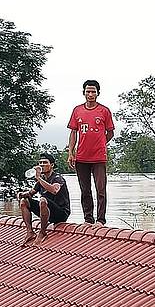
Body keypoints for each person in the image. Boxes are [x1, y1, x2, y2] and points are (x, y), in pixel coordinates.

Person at [67, 80, 114, 226]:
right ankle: (88, 219)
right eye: (88, 91)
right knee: (84, 190)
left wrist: (100, 143)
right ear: (84, 93)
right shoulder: (77, 110)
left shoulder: (104, 111)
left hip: (99, 157)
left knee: (101, 189)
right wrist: (71, 152)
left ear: (98, 93)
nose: (90, 94)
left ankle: (100, 220)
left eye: (93, 91)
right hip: (81, 157)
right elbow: (73, 132)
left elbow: (110, 132)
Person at [17, 153, 71, 245]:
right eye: (40, 163)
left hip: (61, 213)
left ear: (52, 165)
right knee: (24, 201)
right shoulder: (41, 180)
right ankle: (30, 232)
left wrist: (38, 178)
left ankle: (42, 232)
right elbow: (31, 193)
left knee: (42, 200)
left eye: (45, 162)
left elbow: (54, 190)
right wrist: (22, 194)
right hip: (46, 209)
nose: (42, 165)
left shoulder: (58, 178)